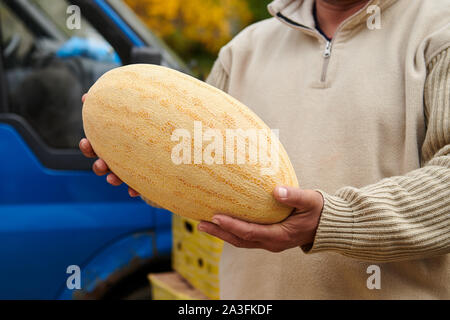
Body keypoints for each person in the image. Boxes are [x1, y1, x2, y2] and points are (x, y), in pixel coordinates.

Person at [80, 0, 450, 299]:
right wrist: (145, 165)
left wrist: (332, 220)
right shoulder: (244, 49)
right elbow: (199, 170)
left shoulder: (440, 30)